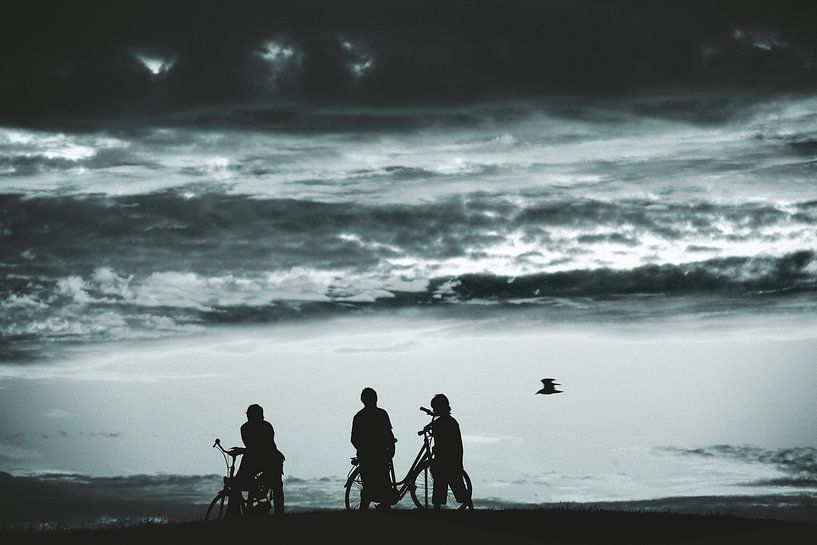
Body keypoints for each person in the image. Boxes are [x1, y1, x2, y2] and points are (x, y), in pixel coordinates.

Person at [229, 403, 285, 515]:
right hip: (254, 458)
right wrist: (245, 450)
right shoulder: (247, 428)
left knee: (276, 485)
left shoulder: (264, 427)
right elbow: (252, 447)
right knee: (236, 484)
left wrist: (243, 450)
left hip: (270, 459)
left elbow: (262, 447)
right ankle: (236, 515)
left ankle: (279, 514)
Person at [351, 387, 396, 509]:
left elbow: (354, 439)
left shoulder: (359, 416)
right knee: (384, 484)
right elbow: (388, 434)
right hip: (381, 454)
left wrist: (363, 449)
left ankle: (364, 512)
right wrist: (391, 448)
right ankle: (385, 509)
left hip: (366, 456)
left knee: (368, 485)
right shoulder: (381, 414)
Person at [429, 394, 472, 510]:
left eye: (435, 408)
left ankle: (436, 509)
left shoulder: (442, 423)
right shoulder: (451, 421)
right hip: (453, 459)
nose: (434, 410)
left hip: (445, 459)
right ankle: (470, 507)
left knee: (440, 483)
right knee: (456, 485)